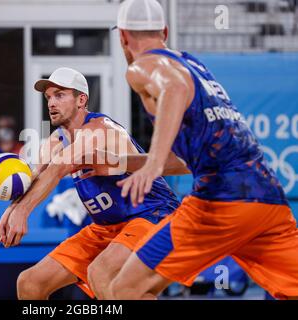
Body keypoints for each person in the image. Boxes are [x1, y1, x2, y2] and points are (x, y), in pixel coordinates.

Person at [99, 0, 298, 300]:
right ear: (164, 31)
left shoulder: (142, 66)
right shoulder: (196, 67)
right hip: (267, 199)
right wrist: (118, 163)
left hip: (219, 202)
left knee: (124, 288)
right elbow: (185, 158)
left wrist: (152, 164)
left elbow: (174, 89)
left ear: (123, 36)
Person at [0, 67, 185, 300]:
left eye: (60, 95)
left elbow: (60, 166)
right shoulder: (56, 140)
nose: (51, 103)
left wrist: (23, 211)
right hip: (107, 227)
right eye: (49, 97)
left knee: (102, 273)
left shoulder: (99, 129)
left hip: (152, 215)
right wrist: (11, 211)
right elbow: (37, 176)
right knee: (30, 283)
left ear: (81, 99)